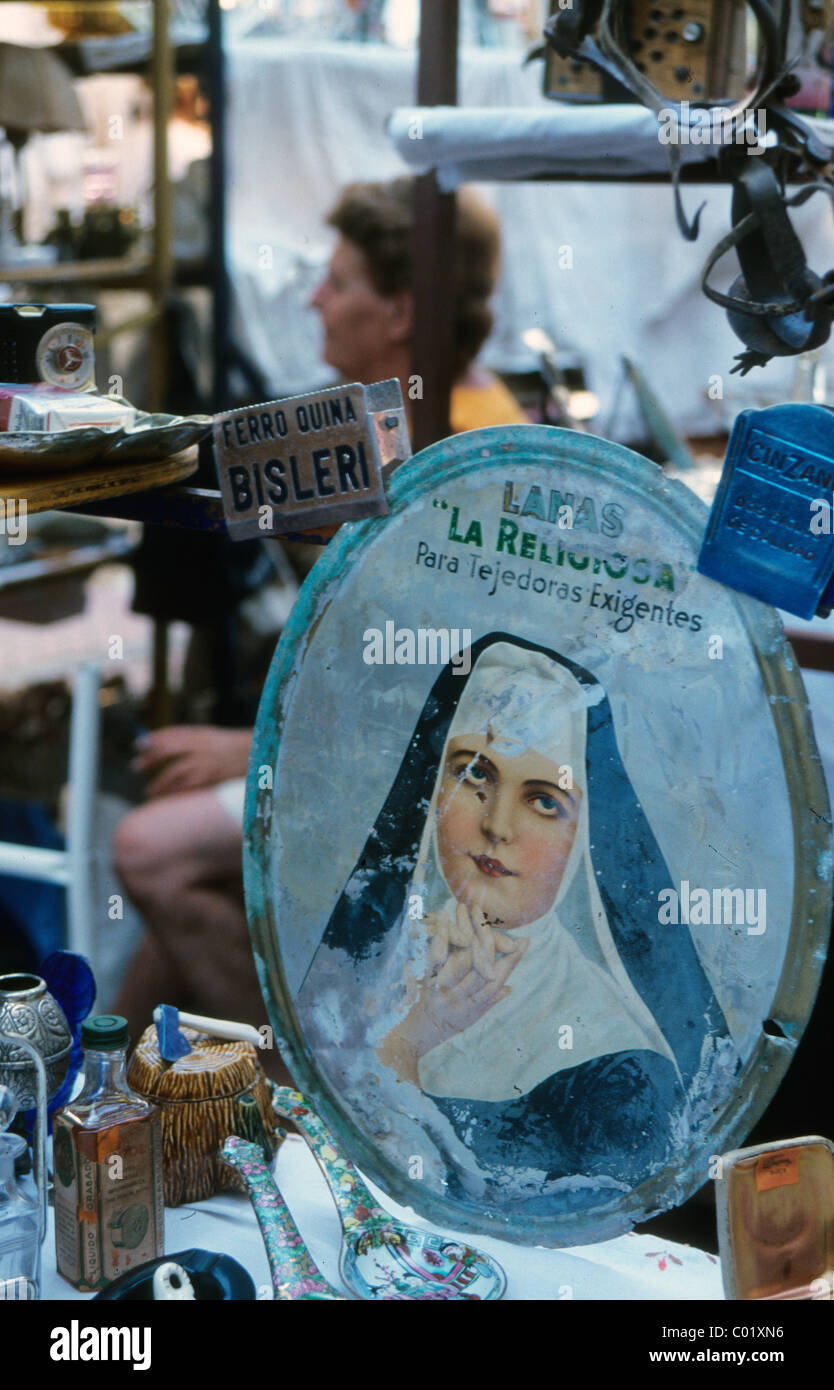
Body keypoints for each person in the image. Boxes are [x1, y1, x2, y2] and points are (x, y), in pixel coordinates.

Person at [113, 179, 526, 1047]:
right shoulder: (403, 422)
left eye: (337, 283)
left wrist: (256, 749)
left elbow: (430, 701)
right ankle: (96, 1084)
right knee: (186, 898)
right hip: (376, 760)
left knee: (151, 853)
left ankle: (315, 1087)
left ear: (403, 310)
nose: (313, 299)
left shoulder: (453, 445)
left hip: (430, 783)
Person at [297, 635, 738, 1205]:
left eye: (544, 801)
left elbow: (506, 1223)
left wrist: (400, 1052)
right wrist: (415, 1026)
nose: (497, 825)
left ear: (584, 842)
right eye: (474, 776)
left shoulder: (624, 1073)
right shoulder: (373, 959)